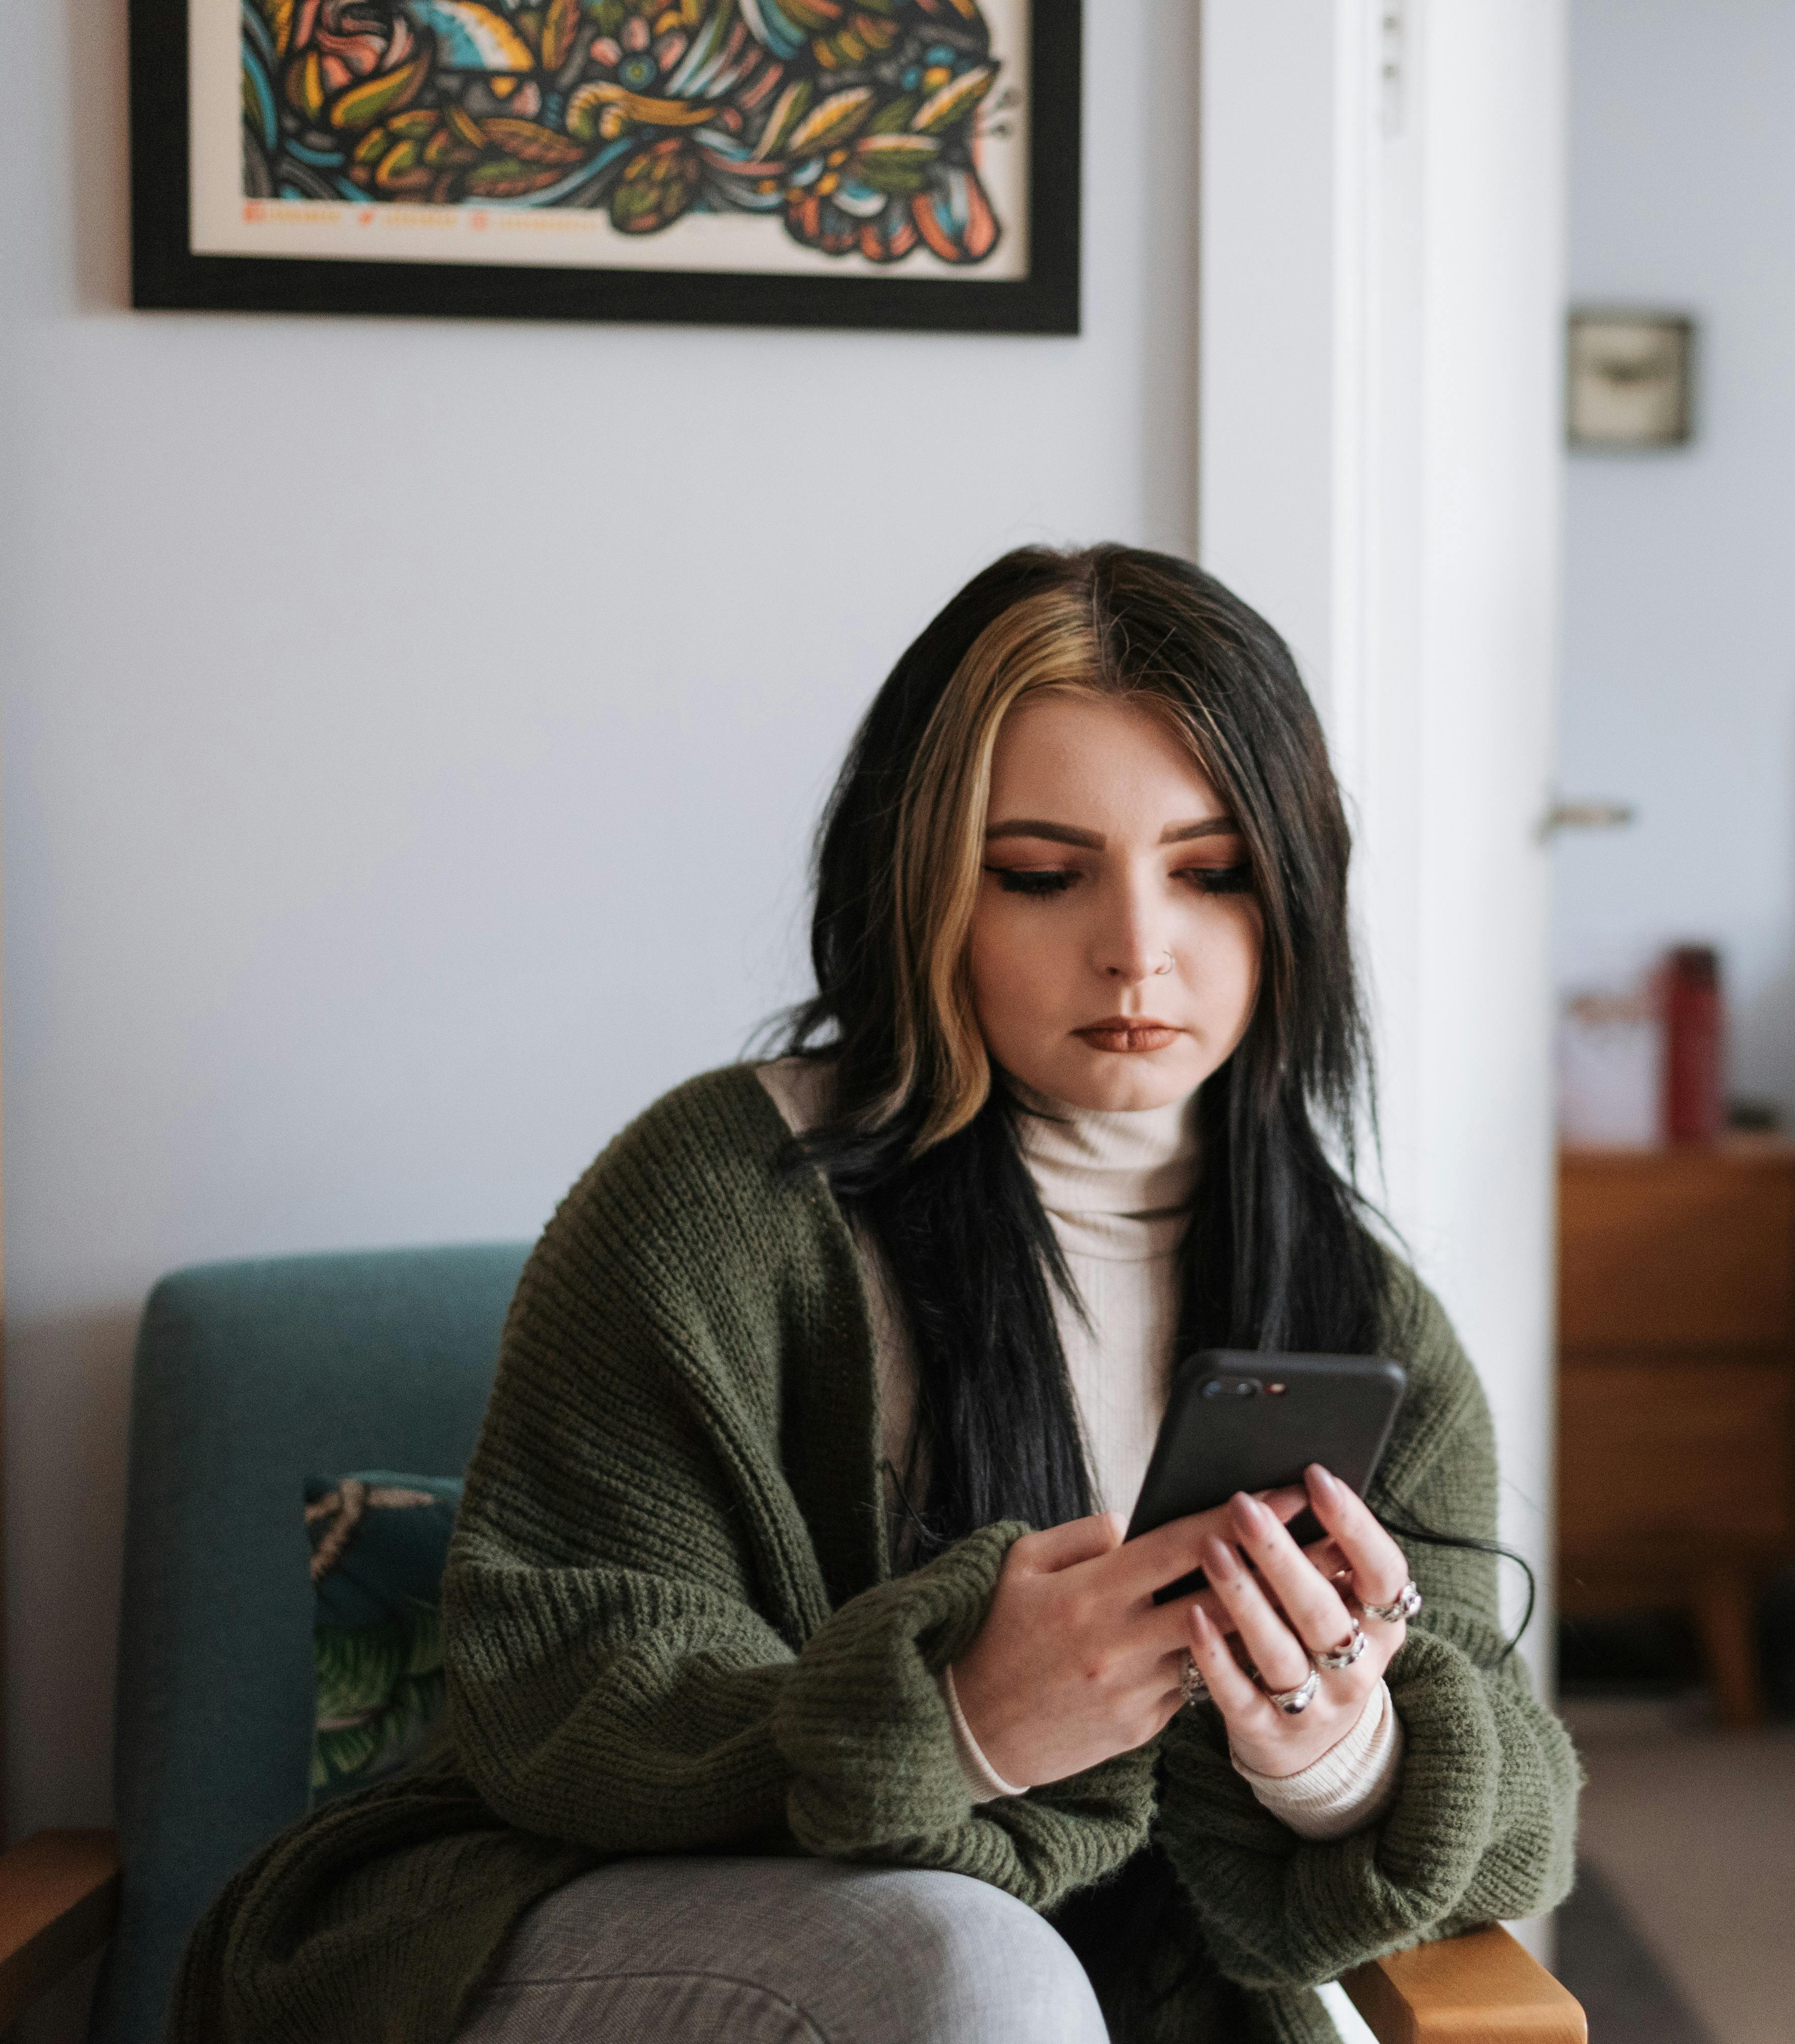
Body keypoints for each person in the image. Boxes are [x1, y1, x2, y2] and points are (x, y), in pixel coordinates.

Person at [176, 546, 1579, 2043]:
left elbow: (1518, 1806)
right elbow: (555, 1692)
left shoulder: (1360, 1321)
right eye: (1042, 874)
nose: (1137, 950)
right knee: (969, 1972)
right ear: (919, 883)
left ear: (1290, 895)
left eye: (1211, 871)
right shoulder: (722, 1192)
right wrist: (960, 1723)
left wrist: (1339, 1750)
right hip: (591, 1912)